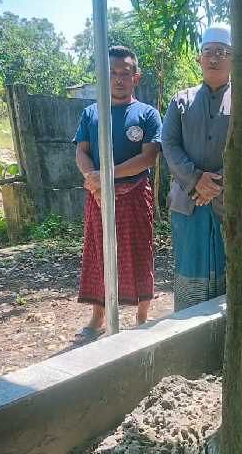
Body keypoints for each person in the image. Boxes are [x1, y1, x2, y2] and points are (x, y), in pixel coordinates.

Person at [162, 24, 242, 311]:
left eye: (222, 52)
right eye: (208, 52)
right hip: (188, 202)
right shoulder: (180, 101)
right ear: (199, 59)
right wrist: (195, 179)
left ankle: (230, 337)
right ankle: (188, 336)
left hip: (233, 203)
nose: (214, 58)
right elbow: (168, 145)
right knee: (189, 265)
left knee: (232, 269)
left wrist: (216, 185)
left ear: (234, 59)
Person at [73, 45, 162, 341]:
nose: (119, 79)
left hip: (135, 194)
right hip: (97, 196)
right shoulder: (91, 113)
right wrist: (91, 178)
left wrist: (105, 176)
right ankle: (98, 317)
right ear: (103, 76)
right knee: (98, 253)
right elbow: (81, 153)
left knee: (140, 251)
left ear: (136, 77)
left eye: (125, 73)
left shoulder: (147, 114)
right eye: (112, 73)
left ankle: (142, 315)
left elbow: (148, 157)